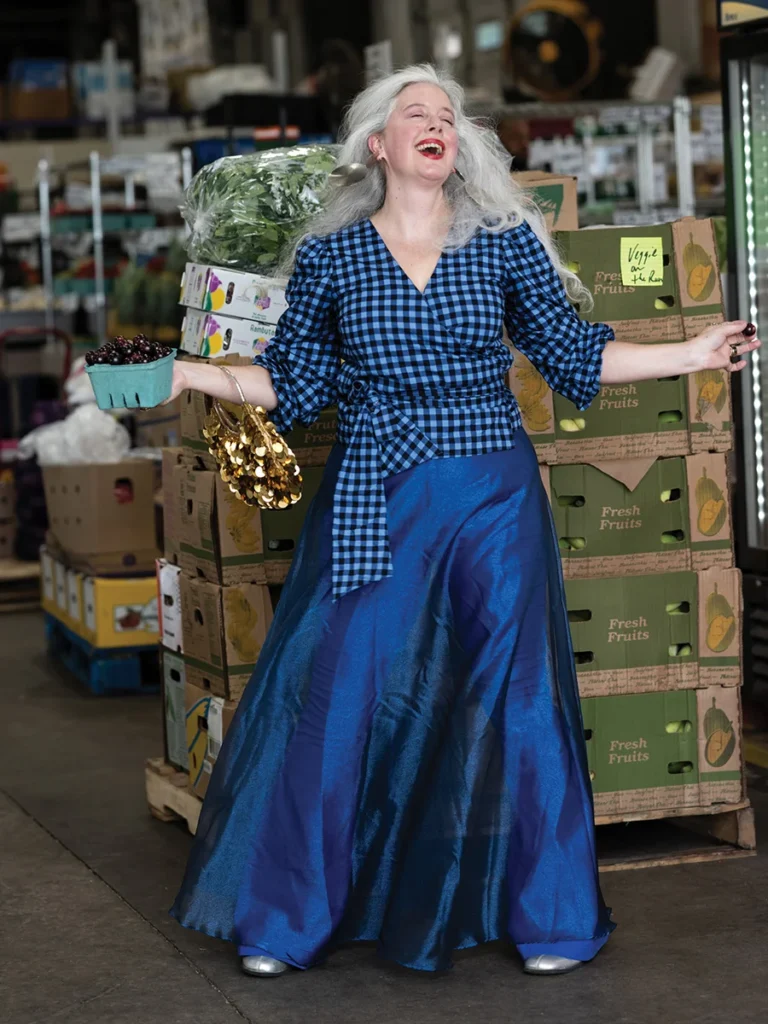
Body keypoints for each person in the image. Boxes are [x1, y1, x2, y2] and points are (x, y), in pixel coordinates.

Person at [168, 64, 758, 978]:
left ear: (459, 146)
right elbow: (293, 385)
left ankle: (553, 917)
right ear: (381, 144)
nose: (436, 123)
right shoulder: (333, 257)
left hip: (491, 492)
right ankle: (288, 919)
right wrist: (190, 374)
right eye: (416, 114)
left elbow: (574, 355)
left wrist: (696, 349)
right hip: (376, 493)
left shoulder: (505, 242)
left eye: (448, 116)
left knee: (520, 699)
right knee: (338, 697)